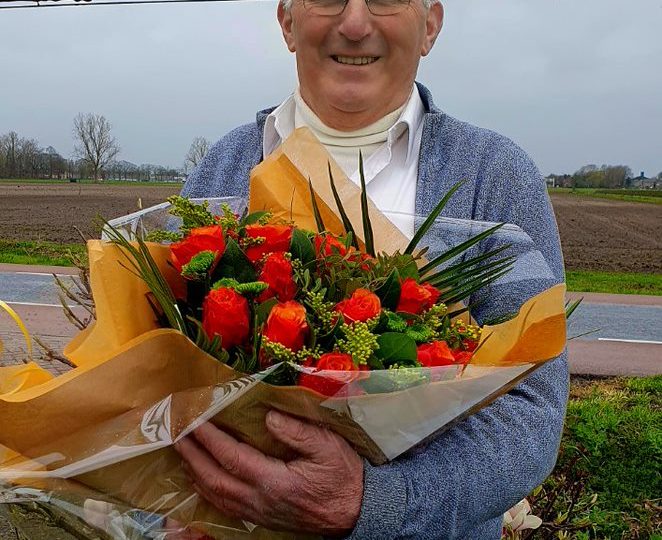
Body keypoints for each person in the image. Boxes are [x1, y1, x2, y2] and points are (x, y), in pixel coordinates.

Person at [176, 0, 569, 538]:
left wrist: (375, 502)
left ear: (430, 24)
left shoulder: (494, 177)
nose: (355, 24)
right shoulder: (221, 168)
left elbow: (532, 412)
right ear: (287, 21)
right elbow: (164, 376)